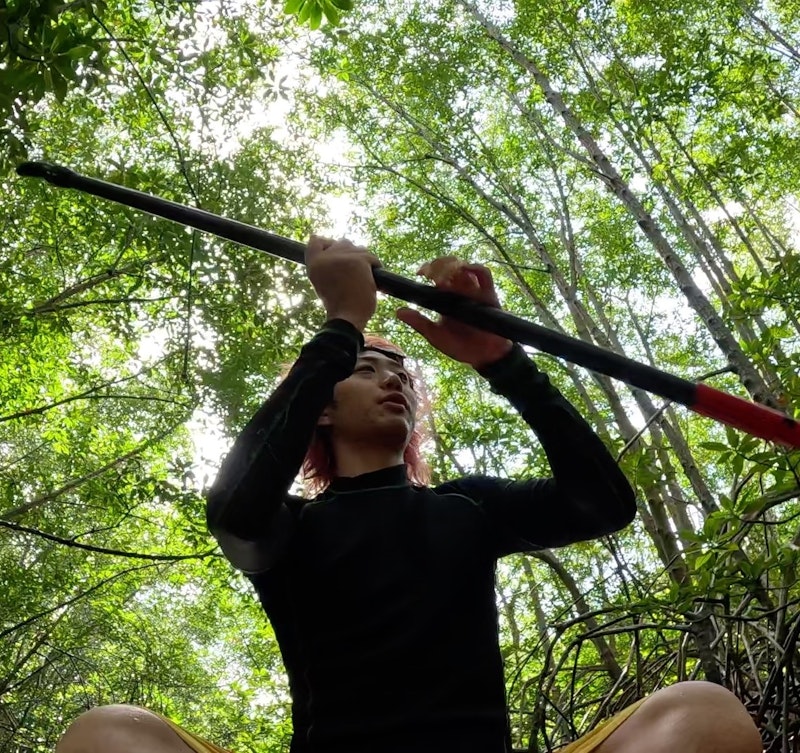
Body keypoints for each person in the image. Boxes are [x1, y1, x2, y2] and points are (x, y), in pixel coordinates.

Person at [55, 237, 762, 753]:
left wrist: (502, 359)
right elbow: (234, 510)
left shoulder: (467, 507)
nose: (395, 379)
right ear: (321, 407)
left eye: (402, 373)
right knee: (104, 733)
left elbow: (603, 502)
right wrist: (340, 324)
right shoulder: (288, 527)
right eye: (366, 367)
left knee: (703, 712)